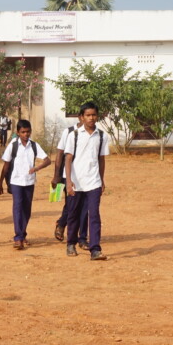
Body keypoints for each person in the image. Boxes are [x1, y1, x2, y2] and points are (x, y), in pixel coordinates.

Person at [64, 102, 109, 261]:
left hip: (94, 182)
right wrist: (68, 181)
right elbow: (68, 158)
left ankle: (95, 249)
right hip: (77, 182)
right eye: (88, 115)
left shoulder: (102, 136)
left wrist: (101, 180)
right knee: (74, 214)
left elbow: (101, 159)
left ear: (97, 116)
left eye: (94, 115)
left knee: (94, 215)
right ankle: (71, 243)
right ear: (81, 117)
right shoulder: (74, 135)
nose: (91, 118)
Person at [0, 120, 50, 250]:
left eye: (28, 132)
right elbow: (6, 165)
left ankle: (22, 233)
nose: (26, 134)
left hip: (29, 181)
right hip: (16, 181)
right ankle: (18, 237)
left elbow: (47, 160)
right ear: (18, 133)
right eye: (23, 132)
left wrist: (37, 168)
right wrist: (0, 183)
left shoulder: (34, 145)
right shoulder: (13, 145)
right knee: (18, 207)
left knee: (27, 209)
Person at [53, 118, 88, 247]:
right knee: (71, 204)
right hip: (68, 175)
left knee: (84, 207)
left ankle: (82, 237)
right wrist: (56, 176)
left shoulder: (93, 133)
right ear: (80, 117)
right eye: (86, 115)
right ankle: (62, 224)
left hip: (86, 176)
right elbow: (60, 154)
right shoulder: (68, 132)